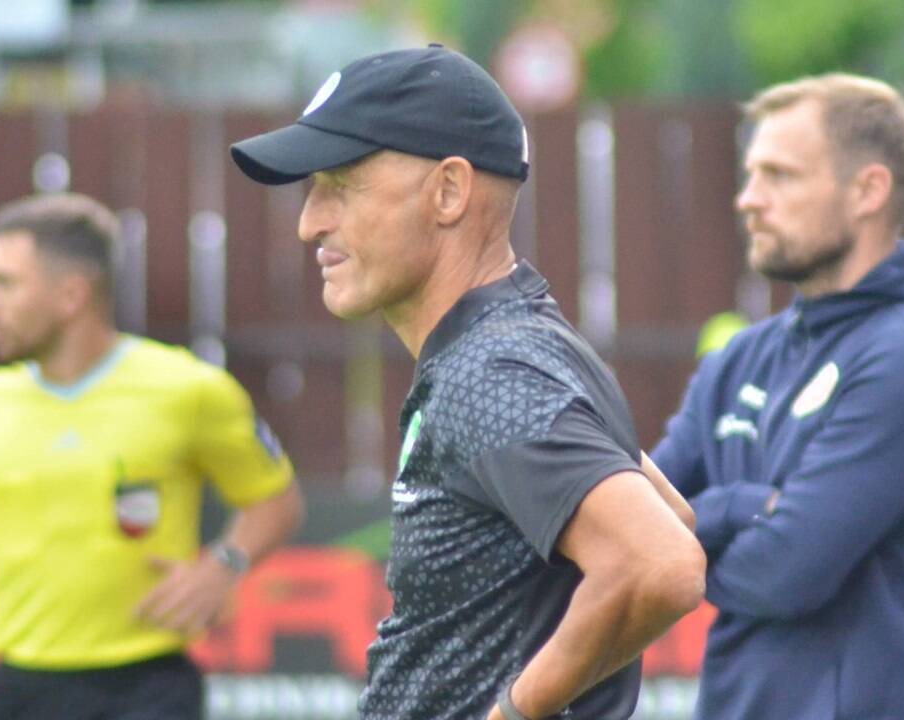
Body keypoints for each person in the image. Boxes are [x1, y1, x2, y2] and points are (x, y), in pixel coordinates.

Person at [229, 44, 705, 720]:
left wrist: (514, 714)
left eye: (340, 183)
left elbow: (662, 562)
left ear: (449, 191)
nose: (311, 221)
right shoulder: (515, 339)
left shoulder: (491, 369)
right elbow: (672, 520)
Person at [0, 193, 302, 720]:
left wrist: (223, 564)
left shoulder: (187, 390)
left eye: (3, 283)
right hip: (21, 690)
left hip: (147, 690)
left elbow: (274, 500)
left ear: (71, 294)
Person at [651, 73, 904, 718]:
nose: (748, 199)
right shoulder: (738, 359)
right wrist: (739, 509)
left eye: (780, 175)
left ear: (868, 190)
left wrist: (700, 523)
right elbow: (638, 523)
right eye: (751, 174)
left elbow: (785, 573)